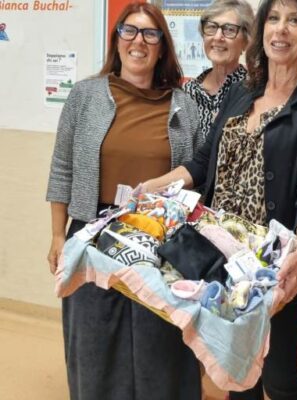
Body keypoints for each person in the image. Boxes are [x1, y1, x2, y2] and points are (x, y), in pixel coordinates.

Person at [143, 0, 297, 398]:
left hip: (270, 262)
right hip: (219, 250)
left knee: (280, 374)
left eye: (294, 21)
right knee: (236, 367)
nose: (281, 29)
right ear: (261, 31)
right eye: (274, 19)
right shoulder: (242, 92)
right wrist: (155, 185)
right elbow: (203, 162)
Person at [45, 3, 204, 399]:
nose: (139, 41)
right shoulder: (85, 95)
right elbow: (62, 168)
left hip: (159, 238)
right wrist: (57, 236)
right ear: (116, 40)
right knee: (94, 343)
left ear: (162, 47)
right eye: (129, 31)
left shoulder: (184, 106)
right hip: (93, 234)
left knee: (160, 345)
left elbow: (197, 177)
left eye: (150, 34)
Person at [183, 0, 254, 142]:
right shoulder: (188, 91)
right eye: (212, 27)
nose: (217, 37)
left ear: (245, 41)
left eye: (229, 30)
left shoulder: (254, 90)